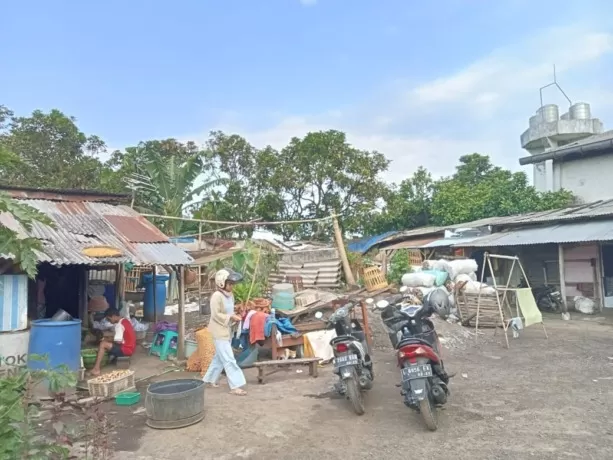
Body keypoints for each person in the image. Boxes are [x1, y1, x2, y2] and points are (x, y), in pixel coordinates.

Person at [202, 268, 247, 396]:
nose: (232, 286)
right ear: (222, 283)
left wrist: (236, 315)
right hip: (218, 331)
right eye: (230, 284)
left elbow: (229, 312)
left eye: (233, 284)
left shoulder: (230, 296)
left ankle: (209, 380)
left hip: (226, 330)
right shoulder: (216, 296)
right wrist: (231, 317)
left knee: (219, 358)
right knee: (229, 359)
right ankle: (235, 386)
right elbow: (216, 315)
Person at [91, 307, 136, 376]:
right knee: (108, 341)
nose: (109, 321)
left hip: (126, 350)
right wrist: (109, 339)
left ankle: (96, 369)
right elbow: (121, 338)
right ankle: (110, 358)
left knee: (103, 344)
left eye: (109, 319)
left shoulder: (119, 325)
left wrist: (106, 340)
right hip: (131, 348)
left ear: (114, 316)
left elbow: (118, 342)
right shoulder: (125, 321)